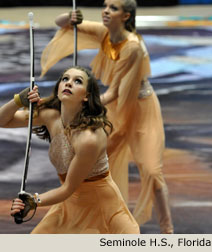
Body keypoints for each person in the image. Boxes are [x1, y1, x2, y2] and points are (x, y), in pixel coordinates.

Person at [40, 0, 173, 233]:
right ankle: (82, 220)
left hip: (140, 110)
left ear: (126, 16)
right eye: (105, 6)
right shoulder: (104, 33)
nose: (105, 11)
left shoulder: (132, 46)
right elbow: (61, 23)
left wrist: (77, 103)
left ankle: (168, 231)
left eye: (113, 8)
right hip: (115, 110)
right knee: (90, 167)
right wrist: (71, 17)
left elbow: (115, 92)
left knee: (152, 171)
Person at [0, 66, 140, 234]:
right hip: (69, 204)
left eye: (77, 81)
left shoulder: (89, 139)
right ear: (58, 89)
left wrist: (33, 201)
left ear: (86, 96)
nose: (69, 83)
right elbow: (0, 121)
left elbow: (68, 188)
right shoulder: (50, 116)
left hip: (101, 206)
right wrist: (18, 100)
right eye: (65, 79)